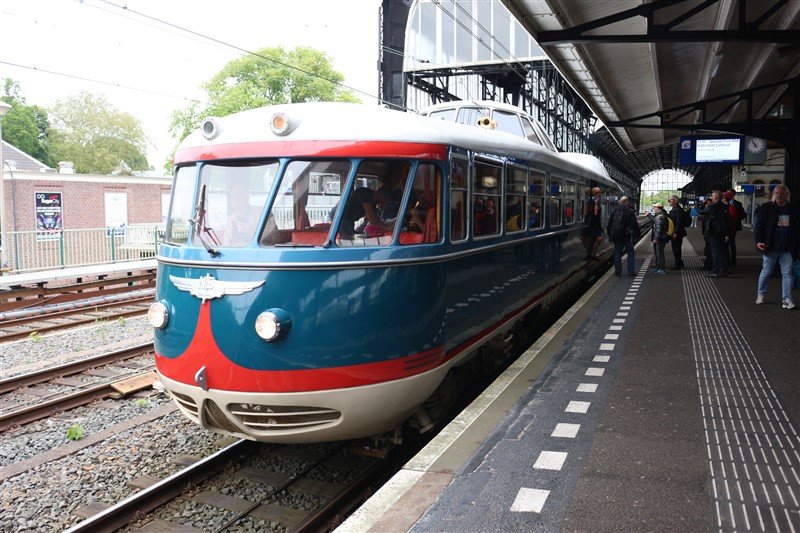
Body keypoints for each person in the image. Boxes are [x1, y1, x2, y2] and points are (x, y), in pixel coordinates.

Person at [753, 184, 799, 309]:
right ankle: (761, 294)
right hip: (770, 246)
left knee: (787, 273)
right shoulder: (766, 208)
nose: (779, 195)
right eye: (777, 193)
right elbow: (759, 226)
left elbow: (797, 229)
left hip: (787, 246)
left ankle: (787, 299)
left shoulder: (793, 209)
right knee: (766, 272)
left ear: (787, 195)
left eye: (782, 193)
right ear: (773, 194)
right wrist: (758, 241)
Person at [607, 196, 640, 276]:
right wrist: (637, 235)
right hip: (627, 236)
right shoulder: (630, 212)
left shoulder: (615, 210)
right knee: (630, 253)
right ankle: (630, 271)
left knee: (617, 253)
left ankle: (618, 272)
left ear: (620, 202)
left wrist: (610, 235)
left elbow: (610, 224)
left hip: (617, 236)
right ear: (627, 202)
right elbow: (634, 225)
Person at [701, 190, 731, 278]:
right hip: (722, 232)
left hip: (713, 232)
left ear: (716, 197)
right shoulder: (725, 206)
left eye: (712, 196)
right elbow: (727, 220)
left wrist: (704, 203)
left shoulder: (711, 207)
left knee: (715, 252)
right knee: (723, 251)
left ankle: (715, 271)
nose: (711, 198)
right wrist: (727, 233)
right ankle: (724, 270)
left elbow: (701, 211)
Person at [581, 186, 603, 260]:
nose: (600, 193)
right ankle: (591, 253)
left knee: (596, 238)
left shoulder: (597, 201)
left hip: (593, 223)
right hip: (590, 223)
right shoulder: (592, 201)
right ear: (595, 193)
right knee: (596, 238)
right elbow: (590, 213)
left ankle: (591, 253)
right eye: (598, 192)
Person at [725, 189, 746, 266]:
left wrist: (736, 219)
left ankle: (733, 260)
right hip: (725, 227)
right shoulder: (724, 203)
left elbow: (743, 214)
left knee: (731, 243)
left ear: (733, 194)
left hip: (734, 227)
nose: (727, 195)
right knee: (726, 243)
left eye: (729, 193)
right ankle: (727, 260)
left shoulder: (738, 204)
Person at [668, 195, 687, 270]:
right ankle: (680, 263)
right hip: (676, 232)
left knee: (676, 249)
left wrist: (675, 232)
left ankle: (678, 265)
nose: (669, 201)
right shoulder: (674, 209)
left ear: (675, 201)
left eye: (671, 200)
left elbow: (679, 222)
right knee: (676, 248)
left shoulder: (678, 210)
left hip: (677, 233)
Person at [651, 202, 669, 274]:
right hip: (662, 237)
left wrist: (656, 238)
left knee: (660, 254)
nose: (653, 208)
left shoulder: (660, 217)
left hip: (660, 238)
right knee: (659, 253)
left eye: (654, 207)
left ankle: (661, 269)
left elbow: (658, 229)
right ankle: (659, 268)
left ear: (658, 208)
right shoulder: (661, 215)